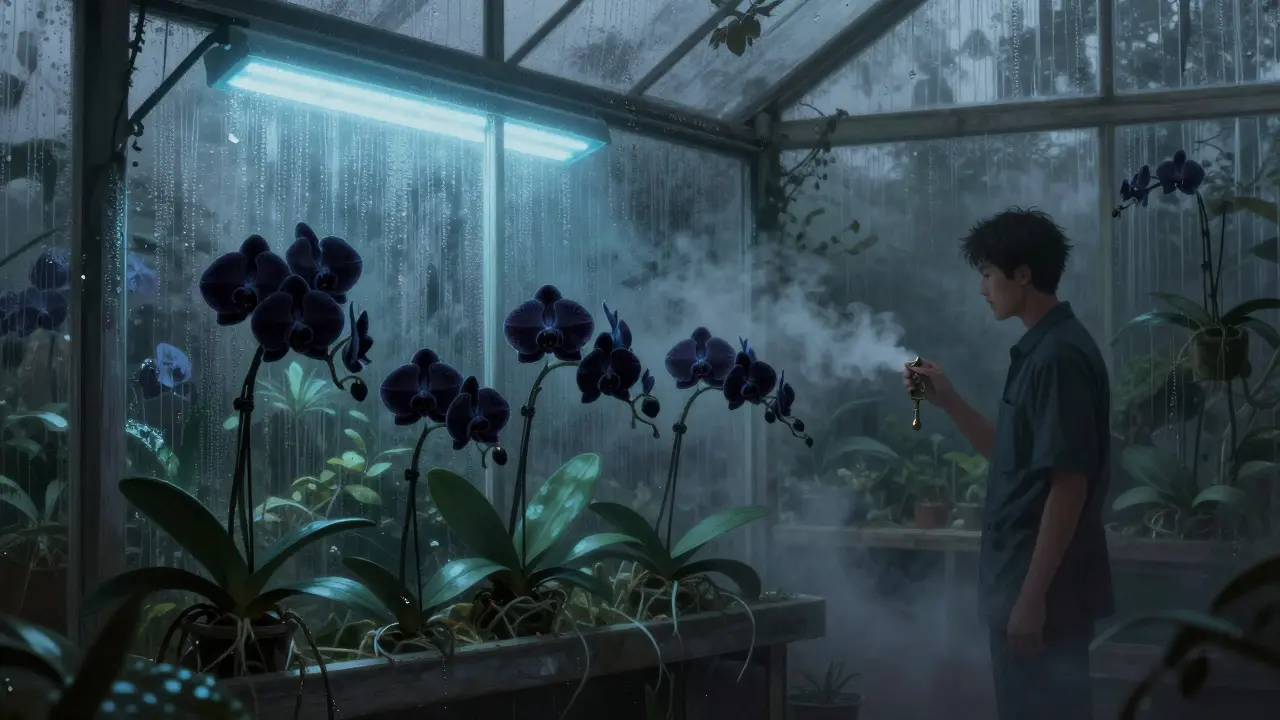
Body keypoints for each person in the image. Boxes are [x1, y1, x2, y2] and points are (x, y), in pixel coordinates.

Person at [902, 207, 1113, 720]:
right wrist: (947, 400)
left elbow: (1069, 485)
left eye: (988, 274)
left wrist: (1030, 598)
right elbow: (1013, 456)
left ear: (1023, 274)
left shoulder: (1057, 358)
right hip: (1024, 585)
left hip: (1043, 594)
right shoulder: (1041, 351)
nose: (982, 289)